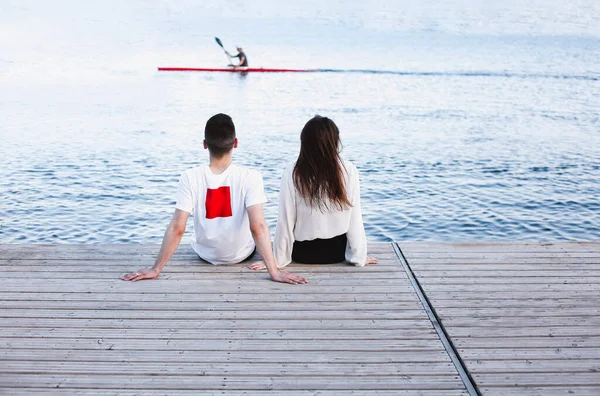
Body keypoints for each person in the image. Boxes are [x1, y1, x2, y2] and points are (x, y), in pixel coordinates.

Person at [122, 113, 306, 285]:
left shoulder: (190, 176)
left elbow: (177, 227)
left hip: (206, 255)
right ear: (235, 143)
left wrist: (156, 269)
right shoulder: (250, 176)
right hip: (241, 255)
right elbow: (258, 227)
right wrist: (274, 271)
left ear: (204, 144)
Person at [249, 115, 378, 271]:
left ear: (304, 142)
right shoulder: (348, 170)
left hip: (302, 254)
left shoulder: (293, 171)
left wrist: (277, 259)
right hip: (337, 253)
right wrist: (359, 256)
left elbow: (285, 220)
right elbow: (355, 218)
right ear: (335, 141)